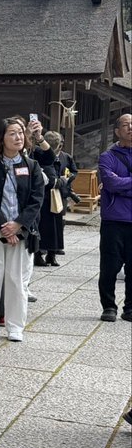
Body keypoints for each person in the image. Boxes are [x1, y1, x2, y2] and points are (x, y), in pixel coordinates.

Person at [0, 117, 44, 342]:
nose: (18, 137)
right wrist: (4, 227)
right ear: (1, 138)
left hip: (21, 232)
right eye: (12, 133)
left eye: (21, 133)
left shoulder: (31, 166)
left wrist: (17, 225)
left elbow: (36, 199)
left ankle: (15, 326)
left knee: (17, 281)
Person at [97, 113, 132, 322]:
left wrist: (123, 185)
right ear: (117, 131)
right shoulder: (107, 157)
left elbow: (118, 185)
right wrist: (119, 186)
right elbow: (110, 184)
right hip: (113, 220)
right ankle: (108, 306)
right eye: (126, 125)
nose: (130, 128)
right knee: (109, 266)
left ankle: (130, 308)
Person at [36, 131, 77, 267]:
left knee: (57, 226)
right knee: (44, 226)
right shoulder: (40, 155)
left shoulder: (66, 157)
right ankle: (39, 253)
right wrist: (61, 181)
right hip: (45, 197)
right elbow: (51, 180)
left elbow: (73, 171)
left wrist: (67, 179)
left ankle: (52, 254)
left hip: (58, 195)